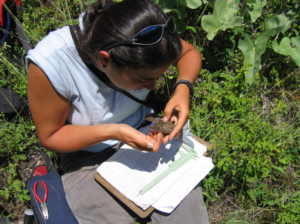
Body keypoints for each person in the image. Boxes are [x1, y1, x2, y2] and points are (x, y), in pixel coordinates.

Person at [26, 0, 209, 223]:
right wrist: (115, 132)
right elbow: (51, 135)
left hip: (146, 125)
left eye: (157, 77)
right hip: (87, 154)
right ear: (105, 59)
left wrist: (182, 89)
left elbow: (188, 53)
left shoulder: (145, 34)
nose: (153, 87)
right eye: (143, 79)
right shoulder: (52, 63)